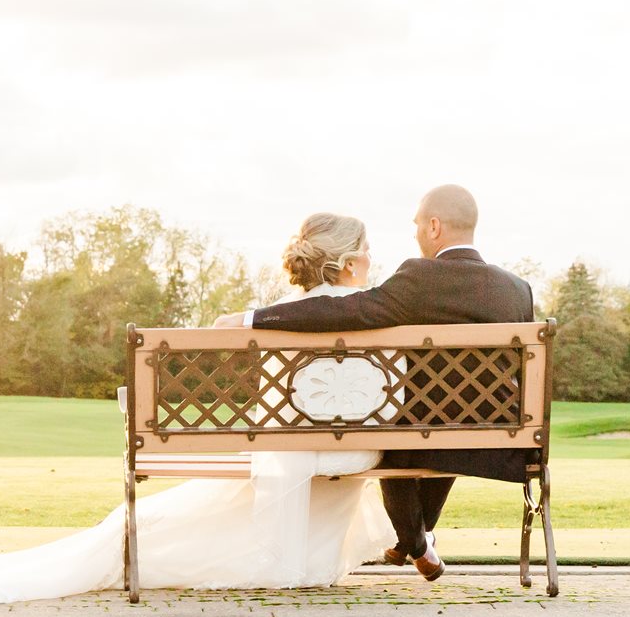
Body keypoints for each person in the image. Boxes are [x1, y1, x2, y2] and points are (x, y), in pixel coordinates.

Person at [0, 213, 393, 604]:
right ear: (344, 264)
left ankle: (154, 547)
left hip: (287, 449)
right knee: (327, 460)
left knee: (268, 474)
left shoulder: (281, 315)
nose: (373, 261)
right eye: (366, 253)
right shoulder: (370, 309)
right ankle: (304, 558)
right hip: (342, 448)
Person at [218, 184, 535, 582]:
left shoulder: (419, 278)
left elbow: (348, 310)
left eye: (418, 224)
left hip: (421, 433)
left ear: (434, 226)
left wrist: (253, 319)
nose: (416, 233)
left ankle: (415, 541)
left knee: (399, 430)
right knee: (454, 416)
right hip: (496, 437)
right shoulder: (517, 290)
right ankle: (417, 540)